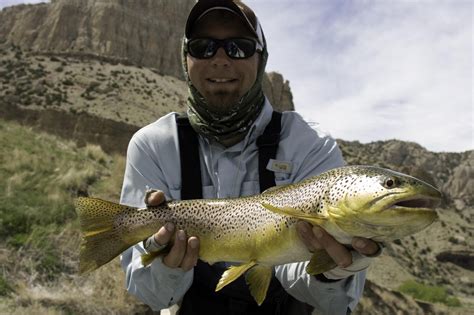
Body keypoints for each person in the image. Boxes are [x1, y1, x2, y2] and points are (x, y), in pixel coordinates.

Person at [120, 0, 382, 314]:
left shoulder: (310, 144)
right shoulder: (152, 145)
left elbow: (329, 299)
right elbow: (152, 294)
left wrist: (329, 270)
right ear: (185, 58)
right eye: (203, 47)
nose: (220, 60)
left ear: (261, 57)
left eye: (238, 47)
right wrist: (167, 267)